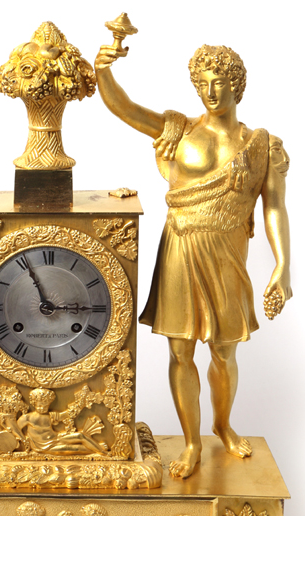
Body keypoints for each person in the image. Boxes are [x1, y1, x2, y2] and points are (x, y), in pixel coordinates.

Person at [95, 43, 291, 478]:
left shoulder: (262, 145)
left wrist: (283, 265)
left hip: (227, 252)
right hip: (181, 245)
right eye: (201, 83)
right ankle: (190, 442)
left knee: (224, 351)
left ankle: (222, 425)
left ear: (237, 85)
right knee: (180, 350)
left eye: (218, 82)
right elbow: (125, 109)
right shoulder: (179, 129)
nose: (209, 91)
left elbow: (274, 208)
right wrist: (103, 71)